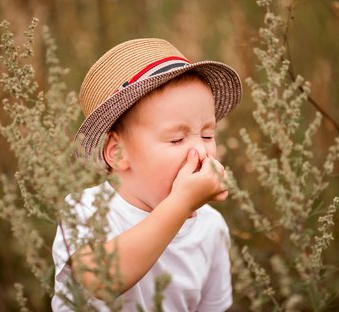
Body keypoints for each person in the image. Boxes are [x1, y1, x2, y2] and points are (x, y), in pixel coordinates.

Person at [52, 38, 242, 311]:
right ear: (118, 154)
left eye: (208, 134)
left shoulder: (212, 228)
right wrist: (181, 203)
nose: (200, 151)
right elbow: (101, 281)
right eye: (176, 139)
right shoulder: (85, 211)